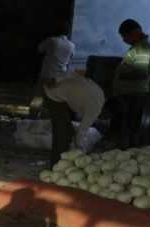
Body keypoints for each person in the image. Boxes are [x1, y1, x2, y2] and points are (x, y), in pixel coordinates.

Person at [112, 19, 150, 149]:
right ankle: (127, 150)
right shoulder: (140, 46)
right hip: (131, 93)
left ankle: (128, 151)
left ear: (135, 32)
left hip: (133, 94)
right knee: (129, 125)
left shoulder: (143, 47)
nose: (124, 40)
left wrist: (120, 74)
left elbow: (141, 73)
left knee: (130, 126)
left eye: (125, 36)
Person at [38, 21, 75, 165]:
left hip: (47, 80)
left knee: (53, 114)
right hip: (61, 79)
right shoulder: (72, 45)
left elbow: (39, 49)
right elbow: (70, 60)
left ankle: (57, 154)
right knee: (59, 112)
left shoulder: (52, 41)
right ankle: (66, 135)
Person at [44, 72, 105, 150]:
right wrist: (79, 146)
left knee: (65, 129)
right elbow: (82, 130)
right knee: (62, 132)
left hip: (53, 84)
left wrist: (56, 79)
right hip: (53, 95)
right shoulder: (95, 110)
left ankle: (60, 151)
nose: (104, 119)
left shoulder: (100, 93)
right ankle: (58, 155)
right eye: (106, 118)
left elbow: (77, 77)